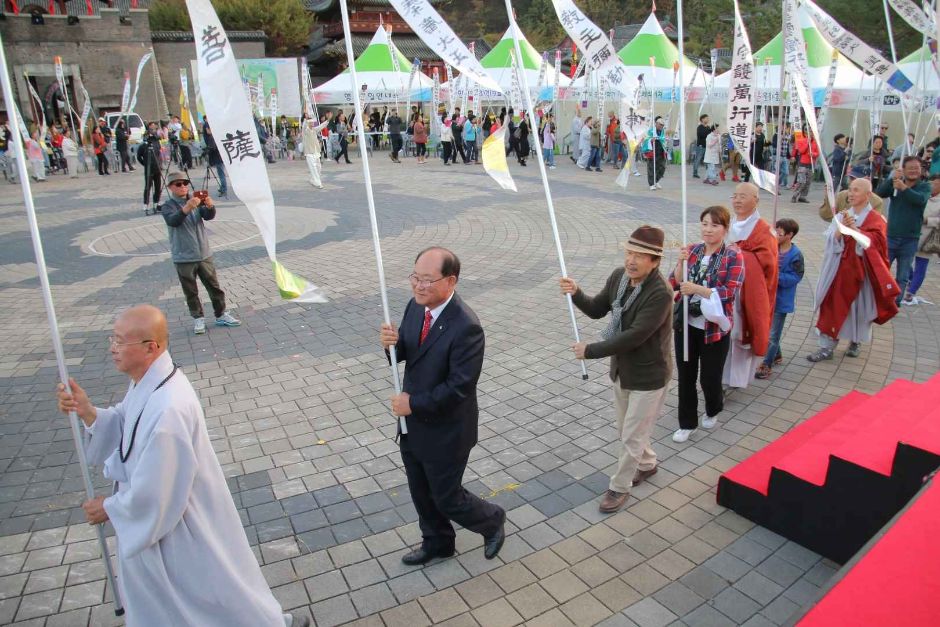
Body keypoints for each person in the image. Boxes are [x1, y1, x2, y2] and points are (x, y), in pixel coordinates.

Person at [55, 305, 307, 627]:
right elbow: (126, 421)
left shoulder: (169, 409)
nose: (112, 348)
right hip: (168, 516)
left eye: (120, 341)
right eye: (112, 339)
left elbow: (156, 493)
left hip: (175, 524)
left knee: (201, 598)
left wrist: (110, 507)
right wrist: (88, 410)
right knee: (206, 594)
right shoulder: (150, 381)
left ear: (151, 347)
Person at [379, 247, 506, 565]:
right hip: (413, 425)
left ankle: (492, 520)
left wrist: (413, 403)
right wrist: (392, 345)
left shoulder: (466, 327)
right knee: (421, 493)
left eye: (427, 280)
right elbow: (410, 351)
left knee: (446, 497)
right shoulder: (415, 306)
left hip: (447, 430)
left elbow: (459, 388)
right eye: (415, 278)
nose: (419, 286)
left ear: (451, 281)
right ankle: (437, 542)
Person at [560, 226, 672, 512]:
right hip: (623, 370)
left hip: (649, 375)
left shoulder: (660, 293)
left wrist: (591, 350)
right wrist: (576, 293)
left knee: (631, 435)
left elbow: (634, 335)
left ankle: (619, 487)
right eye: (629, 253)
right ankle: (647, 464)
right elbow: (598, 308)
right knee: (627, 430)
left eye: (640, 256)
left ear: (655, 261)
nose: (631, 261)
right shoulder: (619, 278)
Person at [670, 207, 743, 442]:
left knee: (710, 378)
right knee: (686, 375)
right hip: (687, 325)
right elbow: (675, 282)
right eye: (704, 224)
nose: (708, 229)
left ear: (725, 228)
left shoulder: (733, 256)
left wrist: (699, 290)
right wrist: (680, 263)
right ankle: (687, 422)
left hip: (714, 329)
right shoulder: (692, 250)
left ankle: (713, 409)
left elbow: (731, 291)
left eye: (714, 225)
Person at [808, 178, 899, 361]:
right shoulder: (842, 215)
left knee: (859, 309)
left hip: (862, 272)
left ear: (868, 195)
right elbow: (831, 241)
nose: (851, 194)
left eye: (856, 190)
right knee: (832, 306)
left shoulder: (876, 219)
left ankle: (855, 342)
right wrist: (840, 231)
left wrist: (856, 230)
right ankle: (826, 347)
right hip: (840, 271)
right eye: (850, 190)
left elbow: (876, 245)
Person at [160, 170, 241, 335]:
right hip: (183, 256)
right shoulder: (168, 206)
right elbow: (173, 221)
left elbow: (208, 216)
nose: (183, 187)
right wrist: (187, 208)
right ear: (170, 187)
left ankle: (221, 314)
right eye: (178, 184)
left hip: (204, 253)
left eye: (185, 183)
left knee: (214, 287)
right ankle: (198, 318)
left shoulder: (196, 199)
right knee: (191, 290)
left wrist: (210, 206)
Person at [723, 183, 779, 388]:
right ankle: (721, 376)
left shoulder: (763, 230)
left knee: (741, 335)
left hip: (748, 291)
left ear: (756, 200)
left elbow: (769, 262)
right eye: (735, 195)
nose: (737, 200)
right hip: (727, 288)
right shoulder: (727, 223)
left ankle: (736, 380)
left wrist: (739, 254)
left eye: (743, 196)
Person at [876, 156, 931, 304]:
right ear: (903, 170)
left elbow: (920, 200)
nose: (913, 171)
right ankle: (878, 299)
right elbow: (879, 193)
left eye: (916, 168)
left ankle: (895, 303)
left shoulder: (924, 186)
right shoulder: (896, 184)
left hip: (910, 239)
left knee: (903, 275)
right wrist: (892, 179)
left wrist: (904, 188)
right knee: (882, 269)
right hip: (891, 236)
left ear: (921, 170)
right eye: (910, 168)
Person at [755, 218, 804, 379]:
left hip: (781, 300)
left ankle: (766, 364)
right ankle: (776, 354)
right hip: (767, 297)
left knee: (773, 334)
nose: (776, 235)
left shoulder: (795, 255)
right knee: (769, 329)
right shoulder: (772, 248)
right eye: (775, 231)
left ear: (790, 235)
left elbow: (796, 276)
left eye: (780, 233)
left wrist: (776, 277)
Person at [904, 174, 940, 305]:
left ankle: (911, 291)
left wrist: (927, 220)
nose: (932, 186)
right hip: (911, 233)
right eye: (930, 183)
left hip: (928, 238)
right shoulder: (922, 195)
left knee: (921, 265)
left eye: (935, 184)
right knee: (905, 260)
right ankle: (910, 279)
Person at [138, 122, 164, 214]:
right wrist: (145, 164)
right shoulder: (144, 144)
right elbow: (139, 156)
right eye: (152, 128)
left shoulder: (157, 141)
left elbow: (158, 153)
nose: (154, 129)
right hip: (149, 168)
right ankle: (146, 204)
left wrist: (160, 163)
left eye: (155, 128)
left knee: (158, 187)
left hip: (157, 167)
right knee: (148, 187)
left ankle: (157, 203)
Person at [201, 117, 227, 198]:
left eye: (207, 128)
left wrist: (207, 151)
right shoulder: (216, 135)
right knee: (221, 172)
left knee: (221, 173)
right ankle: (223, 188)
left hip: (218, 157)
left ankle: (224, 189)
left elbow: (212, 148)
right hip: (219, 156)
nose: (207, 131)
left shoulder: (213, 137)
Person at [302, 114, 330, 188]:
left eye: (312, 122)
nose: (312, 124)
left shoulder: (314, 130)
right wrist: (306, 119)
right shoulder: (305, 130)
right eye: (310, 122)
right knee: (313, 168)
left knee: (318, 167)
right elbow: (304, 126)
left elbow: (321, 126)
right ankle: (318, 183)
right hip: (309, 152)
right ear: (308, 123)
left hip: (316, 151)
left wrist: (328, 120)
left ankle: (313, 179)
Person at [791, 130, 818, 203]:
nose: (811, 135)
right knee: (801, 181)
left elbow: (817, 153)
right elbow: (801, 151)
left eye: (812, 133)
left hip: (811, 165)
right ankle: (795, 195)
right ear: (806, 134)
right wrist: (807, 143)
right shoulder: (802, 141)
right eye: (810, 133)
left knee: (808, 182)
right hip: (803, 164)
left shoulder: (815, 143)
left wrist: (813, 154)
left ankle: (803, 196)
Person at [643, 116, 668, 190]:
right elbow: (646, 139)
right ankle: (651, 184)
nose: (661, 126)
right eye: (660, 124)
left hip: (661, 152)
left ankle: (656, 181)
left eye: (662, 125)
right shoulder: (651, 131)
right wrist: (651, 140)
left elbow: (663, 139)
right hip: (652, 152)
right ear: (656, 124)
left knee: (662, 168)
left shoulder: (662, 131)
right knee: (651, 168)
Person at [770, 122, 792, 189]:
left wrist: (790, 156)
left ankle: (777, 183)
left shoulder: (786, 136)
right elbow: (774, 145)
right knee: (776, 171)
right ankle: (774, 185)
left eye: (785, 127)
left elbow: (787, 147)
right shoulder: (776, 135)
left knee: (786, 172)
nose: (784, 129)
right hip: (777, 156)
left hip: (784, 156)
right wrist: (780, 139)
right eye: (783, 127)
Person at [694, 114, 711, 179]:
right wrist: (709, 130)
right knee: (698, 159)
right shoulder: (699, 127)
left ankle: (709, 173)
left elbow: (709, 135)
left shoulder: (708, 127)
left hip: (707, 146)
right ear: (702, 119)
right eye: (706, 118)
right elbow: (702, 135)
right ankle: (695, 173)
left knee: (707, 160)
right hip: (701, 146)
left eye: (708, 118)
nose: (707, 119)